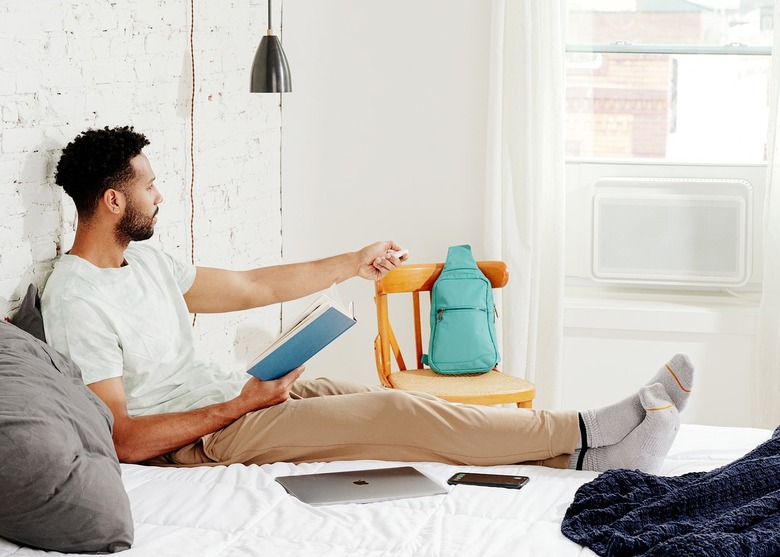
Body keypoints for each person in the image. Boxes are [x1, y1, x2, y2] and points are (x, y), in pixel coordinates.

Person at [41, 126, 694, 473]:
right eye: (150, 185)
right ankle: (585, 427)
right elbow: (124, 438)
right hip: (208, 437)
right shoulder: (77, 300)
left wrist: (352, 263)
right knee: (394, 414)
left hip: (239, 399)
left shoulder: (146, 258)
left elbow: (252, 286)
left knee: (409, 405)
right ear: (113, 200)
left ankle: (594, 457)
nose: (162, 195)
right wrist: (237, 406)